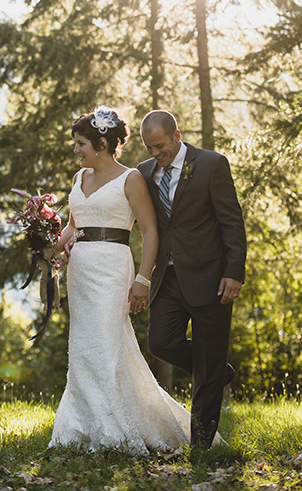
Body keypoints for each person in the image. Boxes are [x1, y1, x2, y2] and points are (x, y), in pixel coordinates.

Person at [49, 106, 198, 454]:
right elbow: (73, 227)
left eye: (81, 144)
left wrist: (143, 279)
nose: (76, 150)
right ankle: (82, 425)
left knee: (107, 342)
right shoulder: (78, 179)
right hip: (81, 271)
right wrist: (45, 247)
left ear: (102, 143)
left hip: (113, 268)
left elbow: (149, 231)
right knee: (84, 346)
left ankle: (116, 426)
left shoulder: (130, 179)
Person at [136, 110, 247, 449]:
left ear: (176, 136)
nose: (155, 154)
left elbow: (232, 222)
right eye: (149, 148)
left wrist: (234, 272)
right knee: (161, 342)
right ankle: (214, 368)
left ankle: (201, 448)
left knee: (208, 372)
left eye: (159, 146)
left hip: (212, 277)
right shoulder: (144, 172)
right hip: (167, 277)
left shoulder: (212, 164)